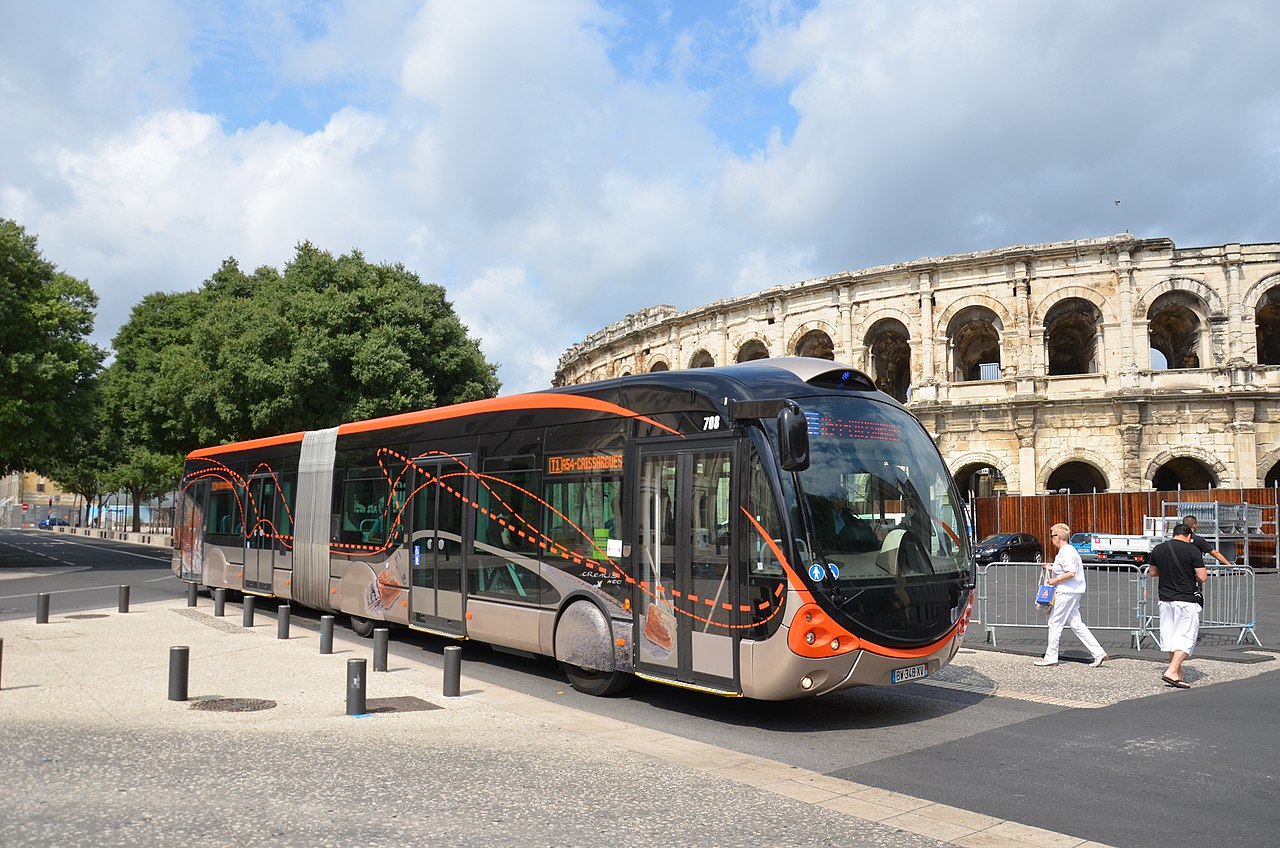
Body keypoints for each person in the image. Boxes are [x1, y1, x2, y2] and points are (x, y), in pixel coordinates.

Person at [1034, 522, 1108, 668]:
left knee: (1055, 622)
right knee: (1076, 624)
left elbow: (1070, 572)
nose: (1051, 539)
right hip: (1073, 591)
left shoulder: (1066, 551)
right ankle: (1098, 652)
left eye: (1052, 536)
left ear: (1059, 536)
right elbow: (1067, 569)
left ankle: (1051, 657)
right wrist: (1051, 567)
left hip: (1066, 591)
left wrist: (1054, 579)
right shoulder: (1068, 551)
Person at [1147, 523, 1209, 688]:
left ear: (1173, 534)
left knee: (1171, 636)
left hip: (1165, 598)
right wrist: (1190, 575)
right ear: (1189, 536)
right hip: (1185, 598)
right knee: (1187, 636)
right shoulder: (1192, 550)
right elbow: (1202, 577)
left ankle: (1177, 674)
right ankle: (1172, 670)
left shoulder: (1158, 548)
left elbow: (1152, 572)